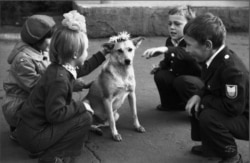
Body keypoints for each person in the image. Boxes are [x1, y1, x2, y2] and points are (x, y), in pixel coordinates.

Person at [14, 10, 109, 163]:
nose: (87, 53)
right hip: (35, 136)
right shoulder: (59, 79)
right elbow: (55, 115)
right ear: (75, 55)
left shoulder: (58, 68)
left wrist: (103, 53)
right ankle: (51, 156)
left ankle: (62, 153)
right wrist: (82, 105)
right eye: (85, 50)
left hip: (30, 130)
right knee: (84, 117)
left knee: (79, 113)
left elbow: (82, 69)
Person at [184, 13, 249, 163]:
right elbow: (210, 84)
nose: (186, 50)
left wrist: (204, 100)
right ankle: (212, 148)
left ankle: (231, 156)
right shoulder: (212, 58)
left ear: (208, 45)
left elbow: (233, 107)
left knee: (209, 116)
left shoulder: (231, 70)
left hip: (245, 116)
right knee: (197, 103)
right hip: (236, 109)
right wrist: (199, 95)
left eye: (189, 45)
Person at [2, 14, 56, 140]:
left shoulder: (41, 49)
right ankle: (21, 130)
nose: (52, 40)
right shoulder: (23, 60)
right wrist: (63, 83)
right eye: (49, 37)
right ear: (37, 40)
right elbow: (37, 88)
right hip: (19, 106)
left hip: (30, 101)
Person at [142, 5, 203, 111]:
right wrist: (160, 66)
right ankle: (172, 104)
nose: (172, 27)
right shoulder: (170, 41)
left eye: (177, 24)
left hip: (199, 82)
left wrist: (167, 49)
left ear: (190, 25)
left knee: (182, 81)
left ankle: (198, 109)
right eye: (169, 24)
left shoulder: (195, 40)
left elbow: (186, 54)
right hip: (181, 79)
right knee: (161, 75)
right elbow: (168, 60)